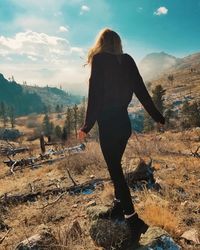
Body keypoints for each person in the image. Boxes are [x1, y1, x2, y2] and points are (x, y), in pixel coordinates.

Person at [78, 28, 165, 245]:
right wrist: (157, 116)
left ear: (101, 42)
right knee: (115, 166)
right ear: (118, 43)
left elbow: (95, 96)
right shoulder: (127, 60)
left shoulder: (98, 60)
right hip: (124, 125)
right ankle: (118, 205)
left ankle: (133, 220)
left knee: (115, 171)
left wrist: (86, 126)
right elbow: (142, 91)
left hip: (108, 126)